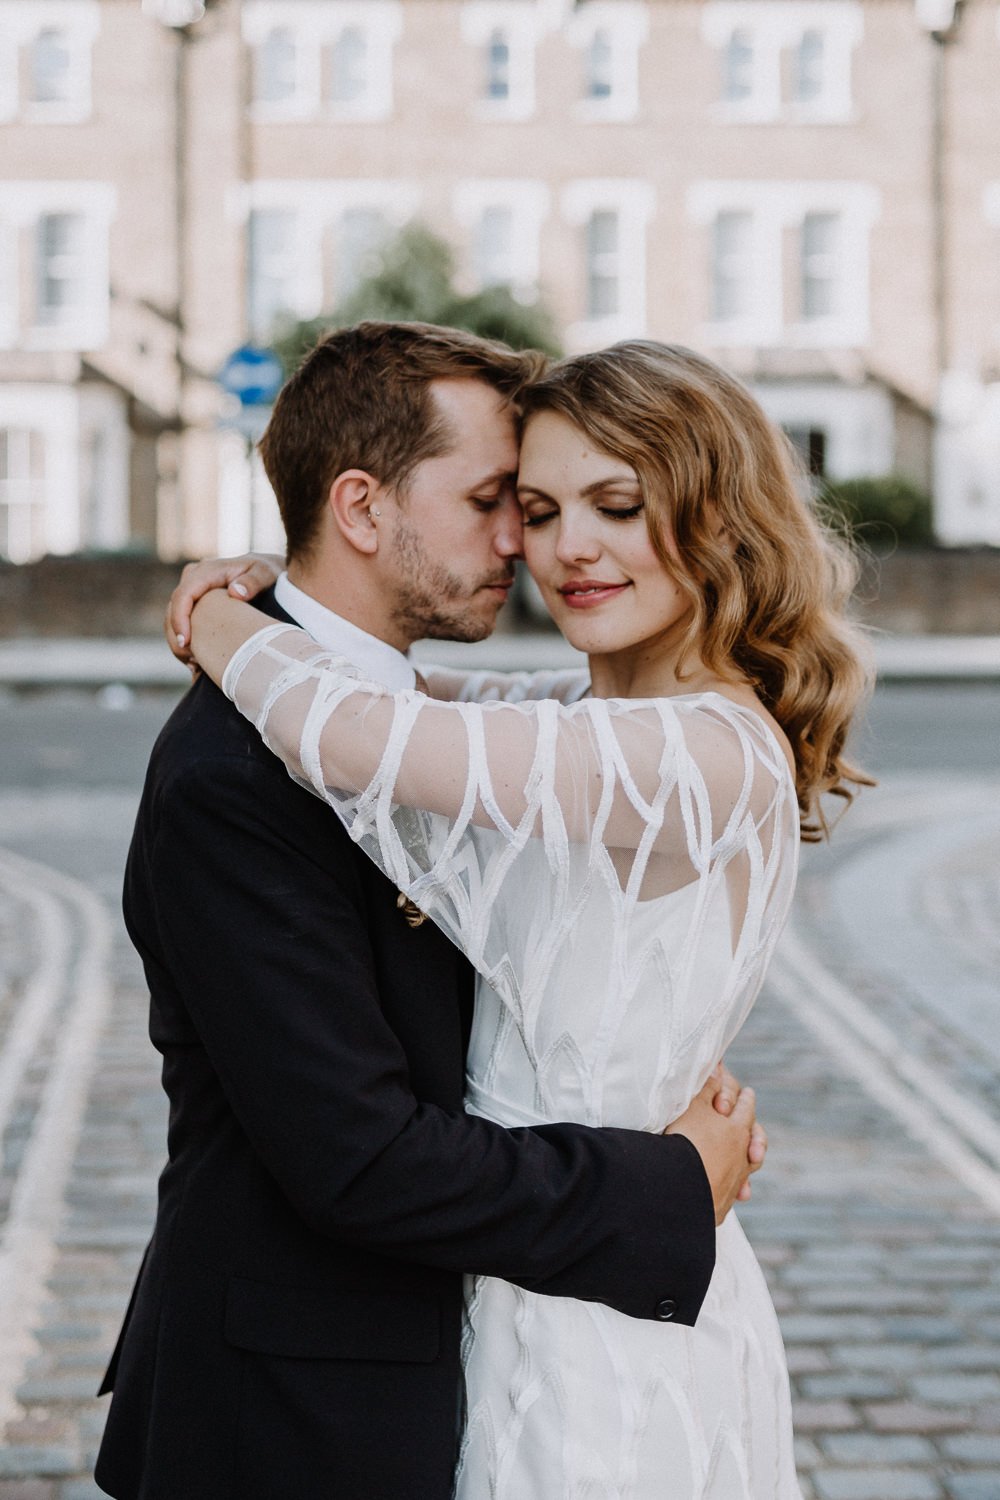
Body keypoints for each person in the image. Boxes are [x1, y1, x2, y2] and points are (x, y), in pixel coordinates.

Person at [182, 337, 873, 1499]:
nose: (557, 548)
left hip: (597, 1312)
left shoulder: (693, 753)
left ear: (716, 514)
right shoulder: (587, 714)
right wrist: (275, 582)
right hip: (537, 1264)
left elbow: (359, 732)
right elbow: (416, 693)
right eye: (534, 507)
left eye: (616, 504)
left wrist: (213, 617)